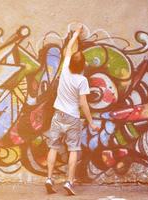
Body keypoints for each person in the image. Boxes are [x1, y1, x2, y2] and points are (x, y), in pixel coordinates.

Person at [45, 25, 98, 196]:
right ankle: (69, 182)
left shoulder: (65, 70)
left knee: (53, 147)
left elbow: (68, 49)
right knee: (73, 149)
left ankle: (48, 178)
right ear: (83, 66)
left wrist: (75, 34)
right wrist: (91, 122)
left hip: (58, 114)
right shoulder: (82, 80)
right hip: (72, 118)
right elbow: (84, 104)